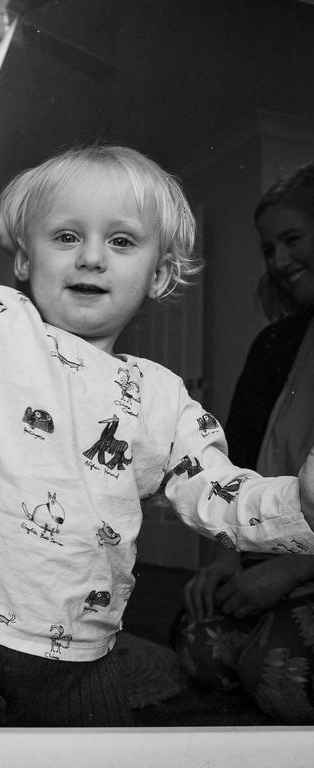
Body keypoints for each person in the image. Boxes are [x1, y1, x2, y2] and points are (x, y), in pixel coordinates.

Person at [0, 144, 314, 726]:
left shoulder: (160, 397)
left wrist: (298, 503)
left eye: (122, 241)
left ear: (158, 276)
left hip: (82, 650)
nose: (92, 258)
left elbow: (220, 492)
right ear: (26, 260)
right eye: (66, 237)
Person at [174, 164, 314, 723]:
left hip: (300, 564)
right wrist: (232, 555)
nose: (279, 262)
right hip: (277, 546)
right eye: (268, 249)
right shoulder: (275, 344)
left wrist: (291, 571)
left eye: (292, 239)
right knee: (197, 642)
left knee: (279, 674)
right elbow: (242, 466)